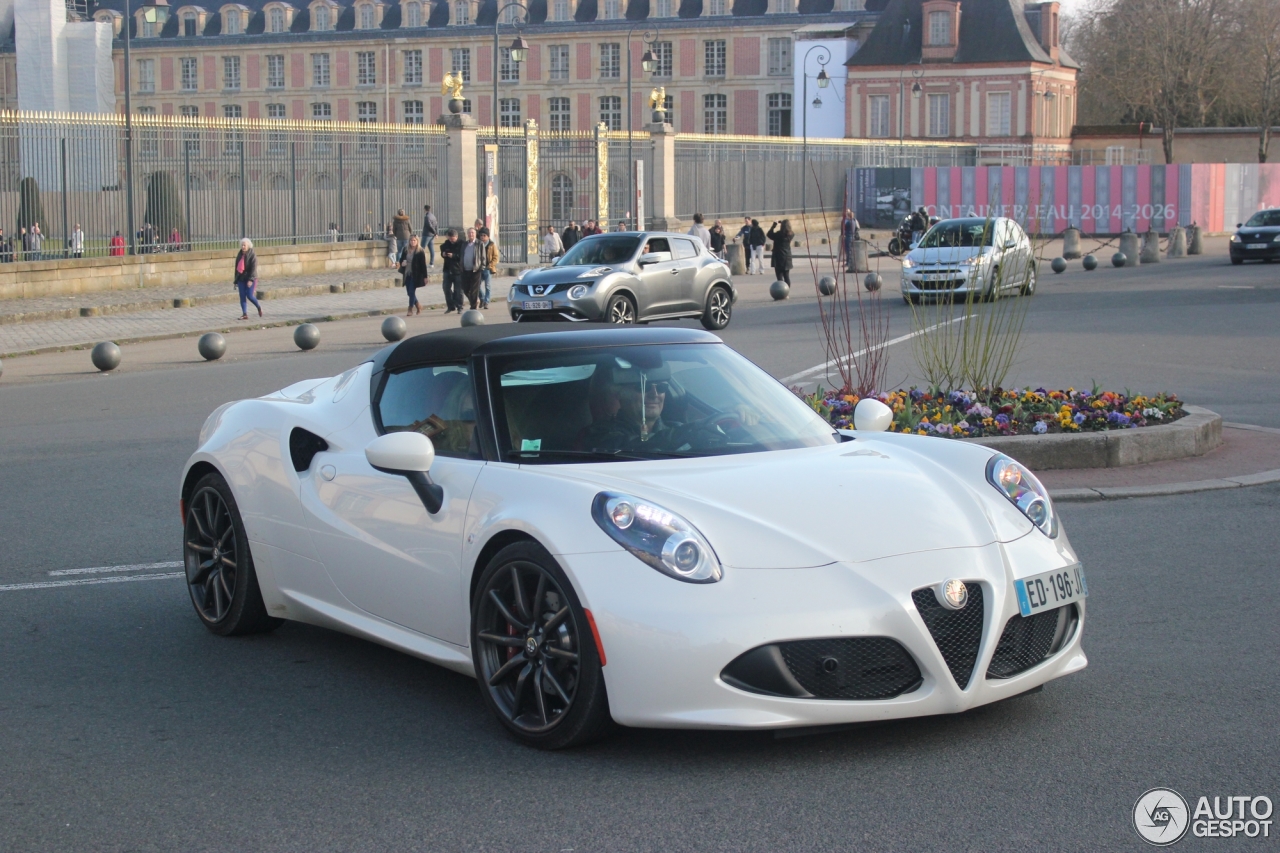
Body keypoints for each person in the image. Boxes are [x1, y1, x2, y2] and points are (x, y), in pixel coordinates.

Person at [233, 237, 262, 320]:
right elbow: (237, 268)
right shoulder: (240, 254)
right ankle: (244, 314)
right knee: (242, 296)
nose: (243, 247)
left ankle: (258, 307)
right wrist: (235, 280)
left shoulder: (252, 255)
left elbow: (253, 268)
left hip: (250, 277)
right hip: (241, 278)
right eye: (242, 245)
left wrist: (251, 280)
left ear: (248, 246)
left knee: (249, 295)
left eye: (244, 245)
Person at [399, 234, 428, 316]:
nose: (412, 242)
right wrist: (402, 263)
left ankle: (410, 309)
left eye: (414, 240)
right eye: (411, 240)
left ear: (417, 241)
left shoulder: (420, 251)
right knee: (409, 292)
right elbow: (401, 259)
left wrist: (425, 277)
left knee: (412, 291)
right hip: (407, 272)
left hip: (416, 274)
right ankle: (418, 305)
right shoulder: (405, 249)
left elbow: (423, 265)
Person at [439, 229, 463, 313]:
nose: (451, 240)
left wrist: (453, 256)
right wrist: (443, 254)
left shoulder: (461, 244)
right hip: (447, 269)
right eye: (450, 238)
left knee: (458, 290)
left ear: (456, 237)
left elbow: (462, 256)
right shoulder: (446, 244)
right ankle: (451, 306)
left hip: (458, 270)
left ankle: (459, 306)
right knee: (446, 288)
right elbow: (442, 251)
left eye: (453, 238)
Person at [460, 227, 484, 310]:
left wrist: (481, 267)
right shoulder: (464, 244)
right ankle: (475, 301)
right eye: (469, 233)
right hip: (465, 270)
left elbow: (483, 257)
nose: (471, 234)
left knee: (474, 290)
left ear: (475, 234)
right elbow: (462, 255)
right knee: (465, 289)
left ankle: (473, 308)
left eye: (472, 233)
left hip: (475, 270)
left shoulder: (479, 244)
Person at [766, 219, 793, 286]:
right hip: (787, 257)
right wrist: (784, 223)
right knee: (786, 276)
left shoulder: (778, 234)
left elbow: (769, 234)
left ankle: (782, 291)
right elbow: (791, 231)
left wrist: (774, 225)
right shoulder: (791, 234)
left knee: (779, 276)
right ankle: (787, 291)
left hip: (779, 257)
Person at [479, 228, 498, 309]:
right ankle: (482, 298)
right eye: (481, 235)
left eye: (484, 235)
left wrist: (490, 265)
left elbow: (496, 257)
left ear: (488, 236)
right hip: (479, 268)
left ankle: (486, 302)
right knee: (477, 285)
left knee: (488, 286)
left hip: (487, 269)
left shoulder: (491, 245)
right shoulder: (478, 244)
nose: (482, 237)